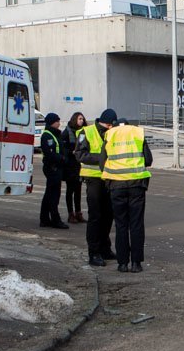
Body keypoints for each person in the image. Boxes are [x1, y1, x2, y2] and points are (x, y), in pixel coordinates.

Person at [100, 118, 154, 273]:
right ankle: (136, 263)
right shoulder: (137, 134)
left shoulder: (109, 136)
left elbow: (102, 163)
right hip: (136, 185)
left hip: (116, 186)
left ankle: (122, 263)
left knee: (121, 225)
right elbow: (148, 160)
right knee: (136, 225)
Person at [76, 108, 119, 266]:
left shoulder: (112, 132)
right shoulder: (85, 132)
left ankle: (104, 248)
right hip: (93, 179)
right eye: (109, 126)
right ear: (106, 123)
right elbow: (80, 155)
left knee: (108, 215)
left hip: (109, 178)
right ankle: (93, 253)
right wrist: (101, 159)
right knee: (95, 217)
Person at [39, 113, 69, 228]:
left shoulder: (55, 134)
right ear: (52, 122)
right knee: (54, 195)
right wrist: (62, 158)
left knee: (49, 195)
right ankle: (55, 220)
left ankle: (45, 219)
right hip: (52, 168)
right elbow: (50, 153)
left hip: (56, 167)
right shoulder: (47, 135)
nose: (59, 123)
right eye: (57, 121)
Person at [64, 112, 87, 224]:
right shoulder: (67, 132)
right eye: (79, 119)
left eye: (82, 119)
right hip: (70, 165)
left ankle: (78, 213)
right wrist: (71, 152)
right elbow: (63, 148)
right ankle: (70, 214)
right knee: (70, 190)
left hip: (79, 165)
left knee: (78, 190)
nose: (81, 121)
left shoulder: (84, 132)